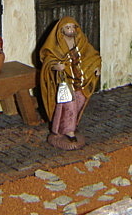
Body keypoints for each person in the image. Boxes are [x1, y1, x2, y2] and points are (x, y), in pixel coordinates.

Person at [39, 16, 101, 150]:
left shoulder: (80, 41)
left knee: (79, 102)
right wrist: (56, 66)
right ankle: (69, 131)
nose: (71, 30)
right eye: (67, 27)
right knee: (69, 105)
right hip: (65, 81)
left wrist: (96, 67)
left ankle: (69, 126)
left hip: (80, 80)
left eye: (73, 27)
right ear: (61, 30)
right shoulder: (56, 45)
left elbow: (91, 55)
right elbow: (48, 60)